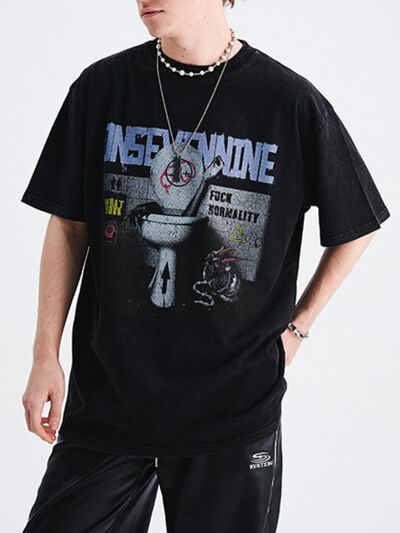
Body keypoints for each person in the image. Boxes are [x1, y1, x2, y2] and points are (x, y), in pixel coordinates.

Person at [19, 0, 391, 531]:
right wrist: (44, 356)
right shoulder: (101, 88)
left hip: (232, 408)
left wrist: (299, 328)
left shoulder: (288, 102)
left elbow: (357, 224)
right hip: (107, 401)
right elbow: (70, 224)